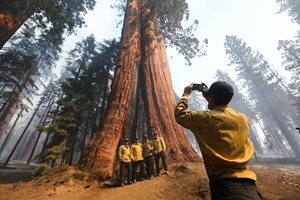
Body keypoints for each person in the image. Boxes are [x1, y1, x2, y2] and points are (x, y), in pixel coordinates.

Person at [174, 81, 264, 200]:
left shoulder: (207, 119)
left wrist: (186, 94)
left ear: (211, 97)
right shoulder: (243, 118)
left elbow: (180, 114)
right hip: (250, 186)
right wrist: (211, 97)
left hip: (226, 189)